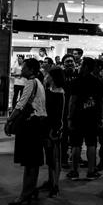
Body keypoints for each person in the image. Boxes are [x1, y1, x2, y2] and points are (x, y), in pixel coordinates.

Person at [7, 58, 47, 205]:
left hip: (30, 125)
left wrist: (10, 120)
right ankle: (31, 189)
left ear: (31, 70)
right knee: (33, 161)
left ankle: (25, 194)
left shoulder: (31, 83)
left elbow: (21, 104)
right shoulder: (39, 83)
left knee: (29, 161)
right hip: (38, 124)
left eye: (24, 67)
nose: (21, 69)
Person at [66, 57, 103, 181]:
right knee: (91, 143)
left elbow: (72, 101)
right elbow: (101, 102)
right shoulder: (98, 82)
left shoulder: (76, 81)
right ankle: (91, 171)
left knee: (76, 144)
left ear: (86, 67)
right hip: (92, 116)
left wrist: (69, 117)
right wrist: (101, 117)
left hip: (78, 116)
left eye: (82, 65)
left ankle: (74, 171)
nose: (80, 67)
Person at [40, 66, 65, 197]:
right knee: (50, 156)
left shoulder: (59, 93)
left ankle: (55, 185)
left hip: (54, 129)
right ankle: (51, 181)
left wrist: (55, 129)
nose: (46, 77)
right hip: (47, 127)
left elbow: (59, 114)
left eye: (48, 75)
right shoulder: (49, 90)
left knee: (55, 157)